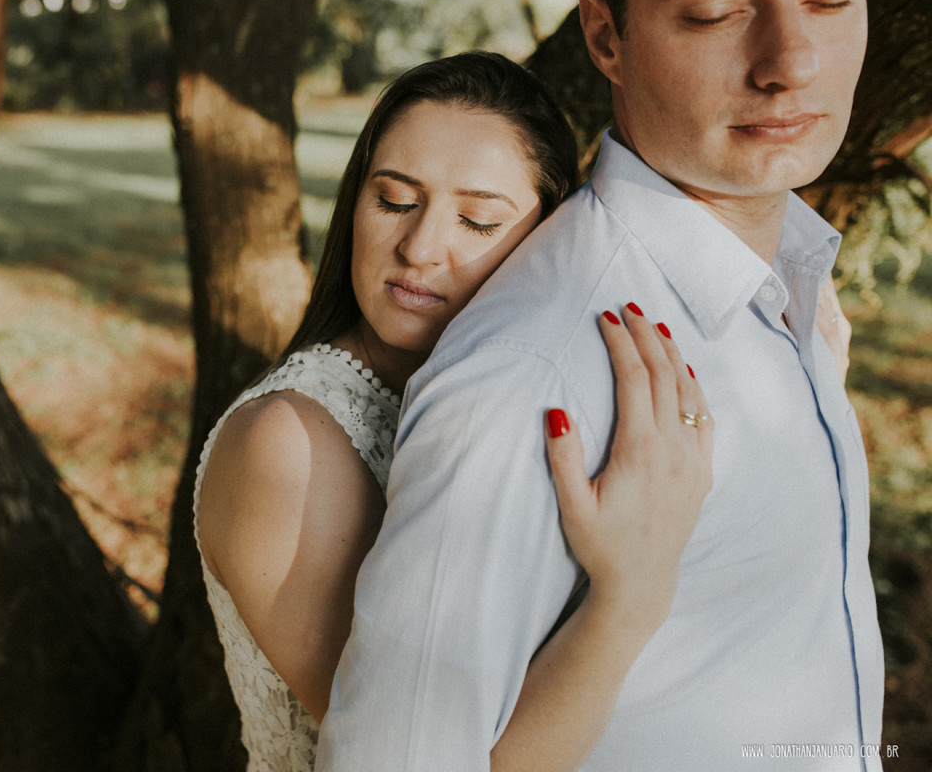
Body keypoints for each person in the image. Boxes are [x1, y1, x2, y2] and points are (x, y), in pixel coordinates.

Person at [317, 0, 882, 771]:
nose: (791, 61)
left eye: (828, 2)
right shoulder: (533, 369)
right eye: (715, 13)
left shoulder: (797, 288)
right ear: (606, 37)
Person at [194, 51, 716, 771]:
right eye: (396, 202)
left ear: (549, 238)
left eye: (476, 220)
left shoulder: (531, 397)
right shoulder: (286, 449)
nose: (419, 246)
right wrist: (631, 594)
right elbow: (428, 755)